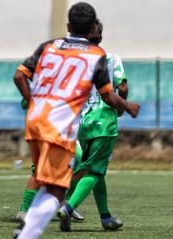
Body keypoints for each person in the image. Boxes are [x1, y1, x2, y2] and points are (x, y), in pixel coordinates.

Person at [13, 2, 139, 238]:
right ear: (93, 27)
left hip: (35, 120)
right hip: (61, 124)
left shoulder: (50, 46)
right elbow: (109, 94)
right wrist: (127, 106)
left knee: (47, 177)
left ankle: (31, 220)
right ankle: (29, 228)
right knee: (59, 190)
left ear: (68, 25)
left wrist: (31, 102)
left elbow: (20, 75)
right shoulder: (96, 55)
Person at [57, 20, 128, 232]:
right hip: (104, 122)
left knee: (96, 171)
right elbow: (122, 88)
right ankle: (67, 208)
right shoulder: (112, 58)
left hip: (84, 123)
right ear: (101, 38)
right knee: (94, 171)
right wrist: (122, 107)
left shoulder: (79, 62)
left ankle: (106, 217)